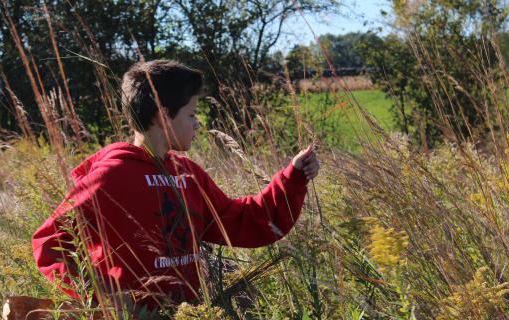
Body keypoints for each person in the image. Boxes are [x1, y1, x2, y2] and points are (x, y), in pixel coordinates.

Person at [31, 60, 319, 310]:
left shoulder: (187, 174)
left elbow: (240, 220)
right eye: (191, 115)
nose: (197, 124)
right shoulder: (111, 176)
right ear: (162, 115)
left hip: (191, 311)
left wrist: (292, 178)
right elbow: (49, 242)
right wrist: (100, 297)